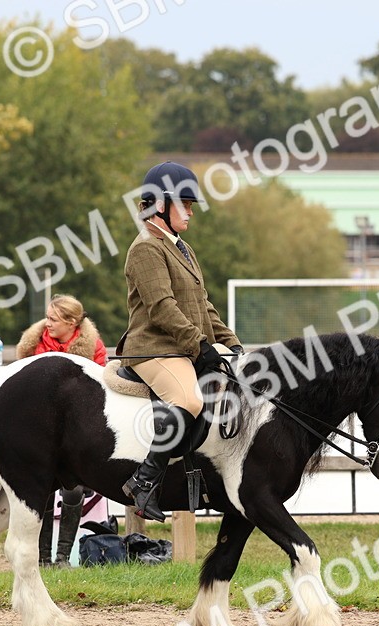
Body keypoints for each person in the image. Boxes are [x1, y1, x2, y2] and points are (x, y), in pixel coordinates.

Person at [116, 161, 243, 521]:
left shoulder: (182, 248)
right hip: (153, 348)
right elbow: (162, 308)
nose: (190, 211)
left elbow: (202, 305)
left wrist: (231, 344)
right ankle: (143, 483)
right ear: (160, 205)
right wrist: (199, 347)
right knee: (188, 398)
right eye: (184, 204)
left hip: (180, 347)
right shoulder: (145, 248)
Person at [16, 294, 108, 566]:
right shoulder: (34, 346)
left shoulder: (94, 347)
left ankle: (62, 558)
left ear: (71, 323)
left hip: (76, 432)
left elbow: (100, 388)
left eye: (54, 319)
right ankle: (43, 557)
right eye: (47, 316)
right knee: (42, 490)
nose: (47, 323)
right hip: (40, 429)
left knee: (73, 490)